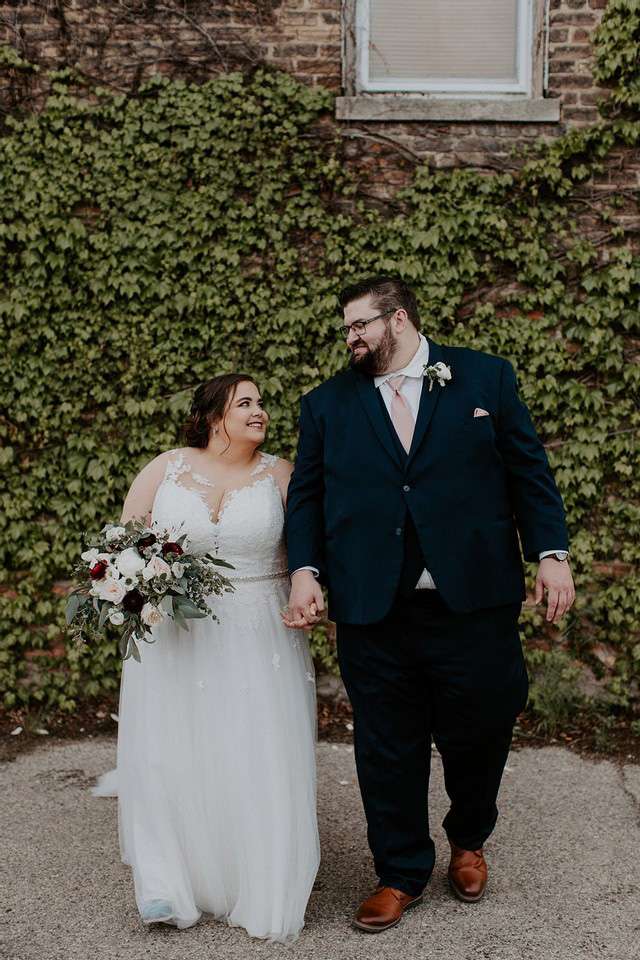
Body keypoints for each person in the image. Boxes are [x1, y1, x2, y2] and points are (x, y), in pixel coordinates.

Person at [283, 276, 574, 933]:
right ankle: (400, 872)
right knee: (387, 746)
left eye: (361, 324)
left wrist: (550, 553)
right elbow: (306, 497)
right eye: (346, 329)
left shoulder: (484, 378)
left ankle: (469, 837)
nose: (351, 337)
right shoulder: (326, 404)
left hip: (474, 601)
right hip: (372, 608)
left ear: (400, 319)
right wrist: (305, 570)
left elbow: (529, 470)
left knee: (486, 723)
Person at [92, 374, 319, 942]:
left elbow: (310, 552)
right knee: (170, 749)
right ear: (216, 415)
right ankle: (167, 884)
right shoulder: (166, 467)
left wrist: (308, 588)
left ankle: (255, 879)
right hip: (175, 635)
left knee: (253, 748)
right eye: (247, 402)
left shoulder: (283, 475)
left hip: (259, 631)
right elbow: (123, 543)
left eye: (261, 403)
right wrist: (132, 585)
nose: (260, 411)